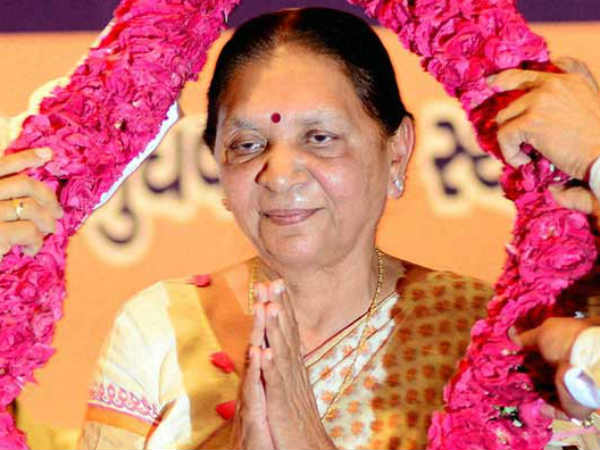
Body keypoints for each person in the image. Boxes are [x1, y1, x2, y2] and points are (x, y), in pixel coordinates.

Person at [1, 7, 600, 450]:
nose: (279, 173)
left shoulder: (492, 340)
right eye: (247, 143)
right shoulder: (157, 325)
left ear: (396, 151)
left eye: (319, 137)